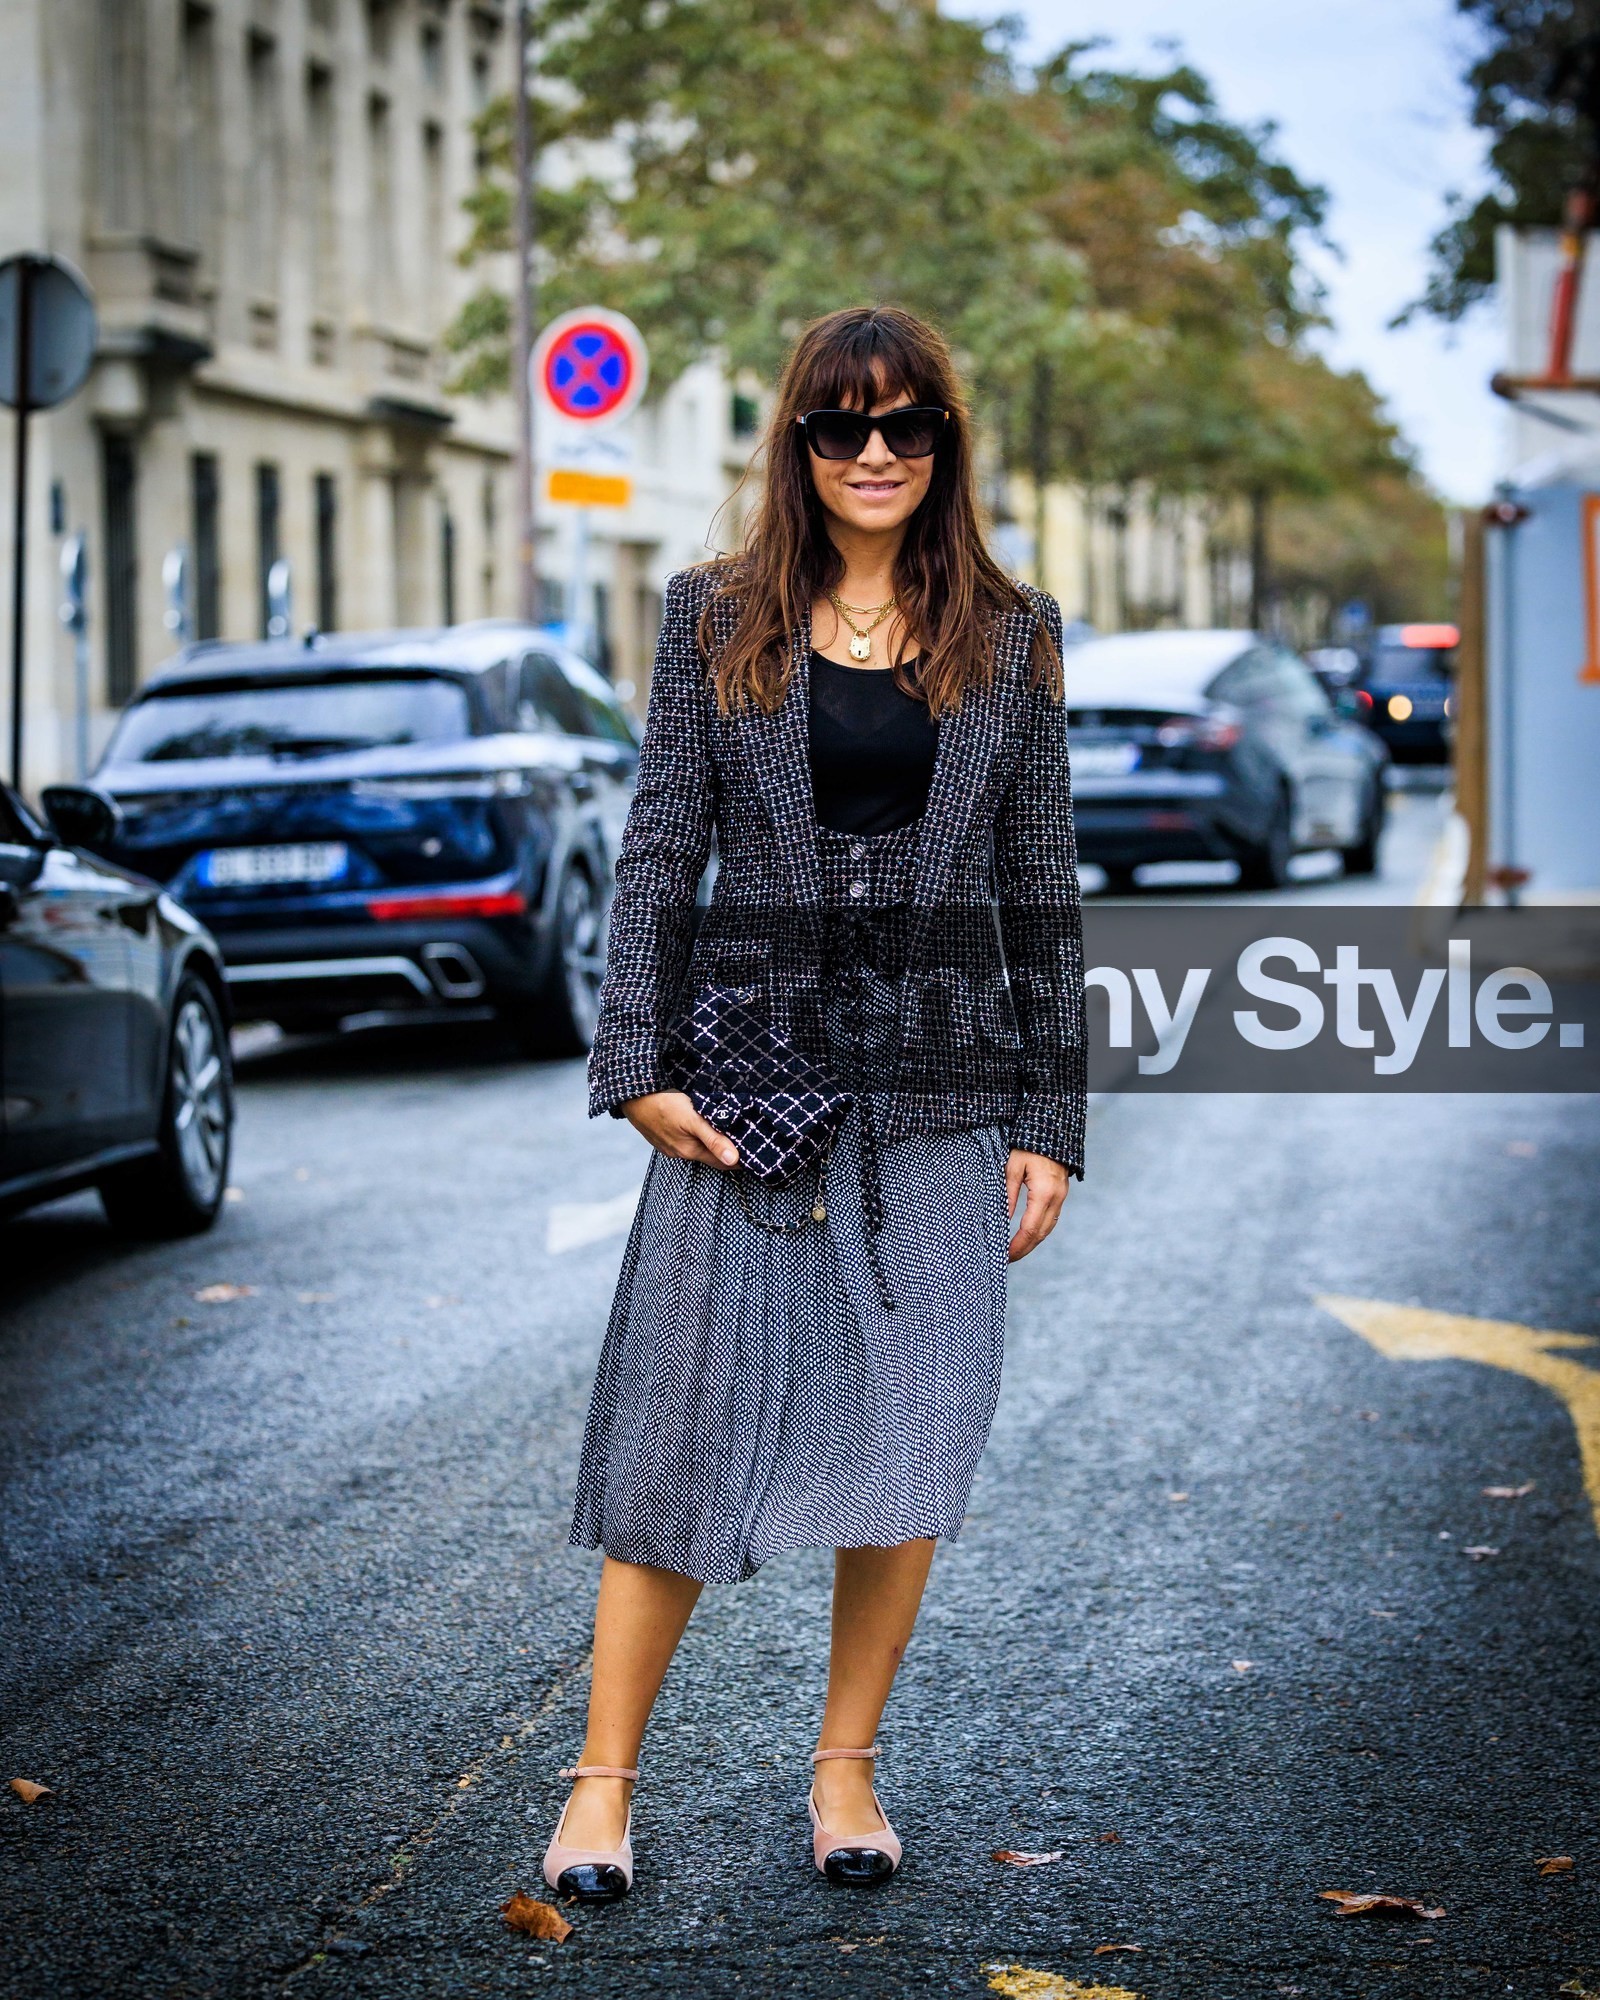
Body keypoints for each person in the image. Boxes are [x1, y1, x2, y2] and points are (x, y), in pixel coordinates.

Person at [541, 304, 1086, 1899]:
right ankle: (599, 1784)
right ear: (795, 446)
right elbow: (657, 853)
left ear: (944, 448)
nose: (872, 455)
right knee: (682, 1424)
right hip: (747, 1073)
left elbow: (1037, 881)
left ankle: (844, 1771)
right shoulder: (716, 613)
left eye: (906, 427)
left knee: (915, 1427)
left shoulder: (1015, 628)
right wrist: (634, 1063)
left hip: (935, 1081)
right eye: (839, 428)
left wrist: (1052, 1113)